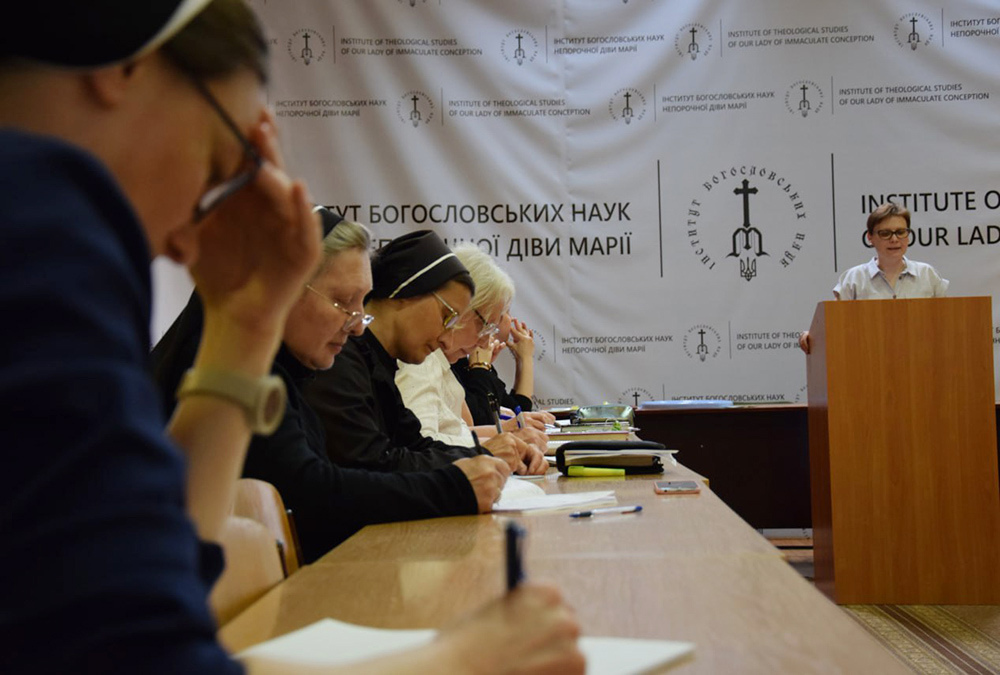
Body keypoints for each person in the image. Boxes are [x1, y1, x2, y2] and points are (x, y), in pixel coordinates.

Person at [0, 2, 583, 674]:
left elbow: (153, 583)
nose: (192, 233)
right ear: (126, 67)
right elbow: (142, 650)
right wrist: (455, 660)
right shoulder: (42, 228)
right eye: (223, 158)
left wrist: (242, 327)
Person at [152, 210, 512, 563]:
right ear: (285, 287)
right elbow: (310, 493)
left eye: (361, 303)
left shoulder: (289, 370)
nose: (358, 326)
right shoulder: (232, 365)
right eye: (344, 302)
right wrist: (453, 487)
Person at [305, 230, 538, 475]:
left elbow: (413, 447)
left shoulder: (376, 361)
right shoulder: (343, 361)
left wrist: (482, 457)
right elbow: (372, 465)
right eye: (447, 316)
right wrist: (470, 473)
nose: (446, 334)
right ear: (406, 293)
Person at [395, 244, 548, 471]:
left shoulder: (440, 363)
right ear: (461, 309)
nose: (485, 342)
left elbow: (453, 433)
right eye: (485, 327)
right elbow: (421, 447)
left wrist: (506, 440)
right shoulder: (420, 362)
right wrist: (495, 445)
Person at [799, 202, 949, 353]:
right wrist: (812, 336)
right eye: (885, 233)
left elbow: (946, 321)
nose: (895, 239)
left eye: (901, 232)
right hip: (868, 361)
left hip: (921, 359)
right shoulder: (854, 278)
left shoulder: (928, 274)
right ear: (870, 237)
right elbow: (836, 325)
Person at [454, 313, 555, 430]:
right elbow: (485, 421)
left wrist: (523, 359)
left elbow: (517, 412)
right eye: (506, 312)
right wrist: (480, 368)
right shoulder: (467, 362)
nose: (512, 319)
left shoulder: (471, 361)